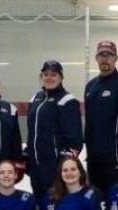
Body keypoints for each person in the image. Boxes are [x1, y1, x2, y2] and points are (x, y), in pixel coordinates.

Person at [84, 40, 118, 195]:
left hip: (114, 161)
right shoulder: (90, 87)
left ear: (116, 58)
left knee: (115, 204)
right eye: (101, 55)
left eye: (109, 55)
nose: (105, 59)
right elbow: (89, 124)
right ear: (96, 58)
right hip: (93, 160)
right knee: (95, 204)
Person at [24, 59, 83, 199]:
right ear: (41, 77)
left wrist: (63, 163)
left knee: (55, 204)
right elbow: (32, 132)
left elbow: (75, 139)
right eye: (46, 74)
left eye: (53, 75)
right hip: (36, 167)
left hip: (54, 167)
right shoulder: (36, 98)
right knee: (39, 204)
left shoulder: (67, 100)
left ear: (61, 77)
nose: (49, 78)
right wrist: (27, 155)